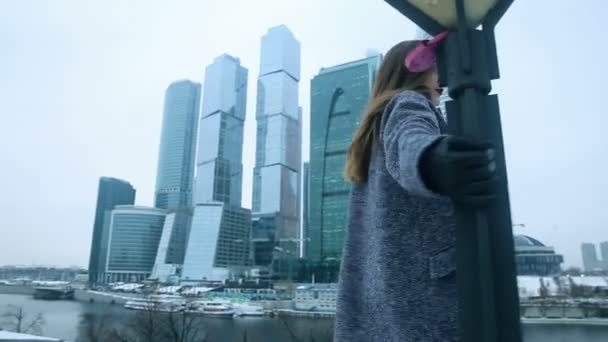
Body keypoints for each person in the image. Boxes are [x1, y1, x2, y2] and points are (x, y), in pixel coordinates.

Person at [334, 40, 497, 341]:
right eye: (438, 70)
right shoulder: (409, 101)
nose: (444, 82)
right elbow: (410, 138)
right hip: (426, 299)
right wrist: (432, 160)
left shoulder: (368, 141)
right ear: (417, 69)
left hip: (384, 299)